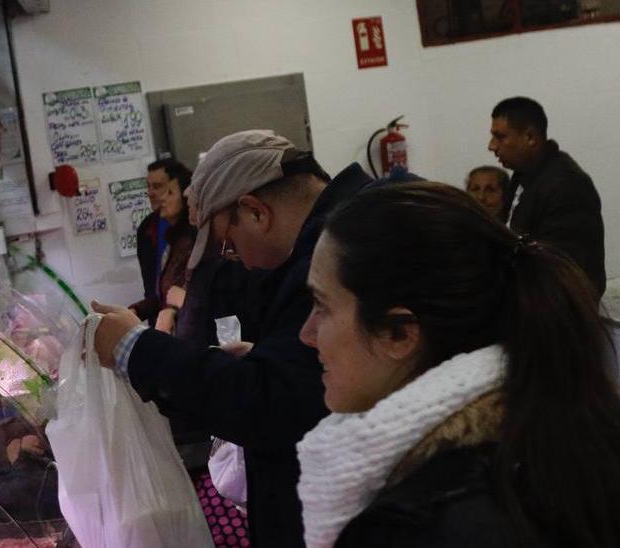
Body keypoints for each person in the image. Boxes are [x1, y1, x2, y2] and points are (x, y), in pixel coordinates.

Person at [296, 182, 620, 547]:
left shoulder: (420, 525)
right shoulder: (557, 433)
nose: (306, 333)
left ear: (399, 333)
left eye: (322, 306)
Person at [93, 130, 374, 547]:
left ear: (256, 212)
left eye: (227, 244)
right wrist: (269, 357)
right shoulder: (340, 235)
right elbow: (306, 383)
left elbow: (275, 404)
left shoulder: (341, 252)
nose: (234, 258)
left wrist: (136, 349)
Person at [488, 96, 606, 296]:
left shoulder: (567, 186)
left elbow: (559, 271)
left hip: (561, 311)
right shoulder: (523, 173)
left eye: (500, 137)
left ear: (530, 137)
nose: (491, 146)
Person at [132, 166, 196, 332]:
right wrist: (137, 310)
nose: (156, 195)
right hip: (168, 327)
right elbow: (158, 292)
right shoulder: (150, 229)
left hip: (190, 329)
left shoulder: (195, 239)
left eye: (167, 191)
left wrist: (176, 307)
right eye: (149, 186)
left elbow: (199, 294)